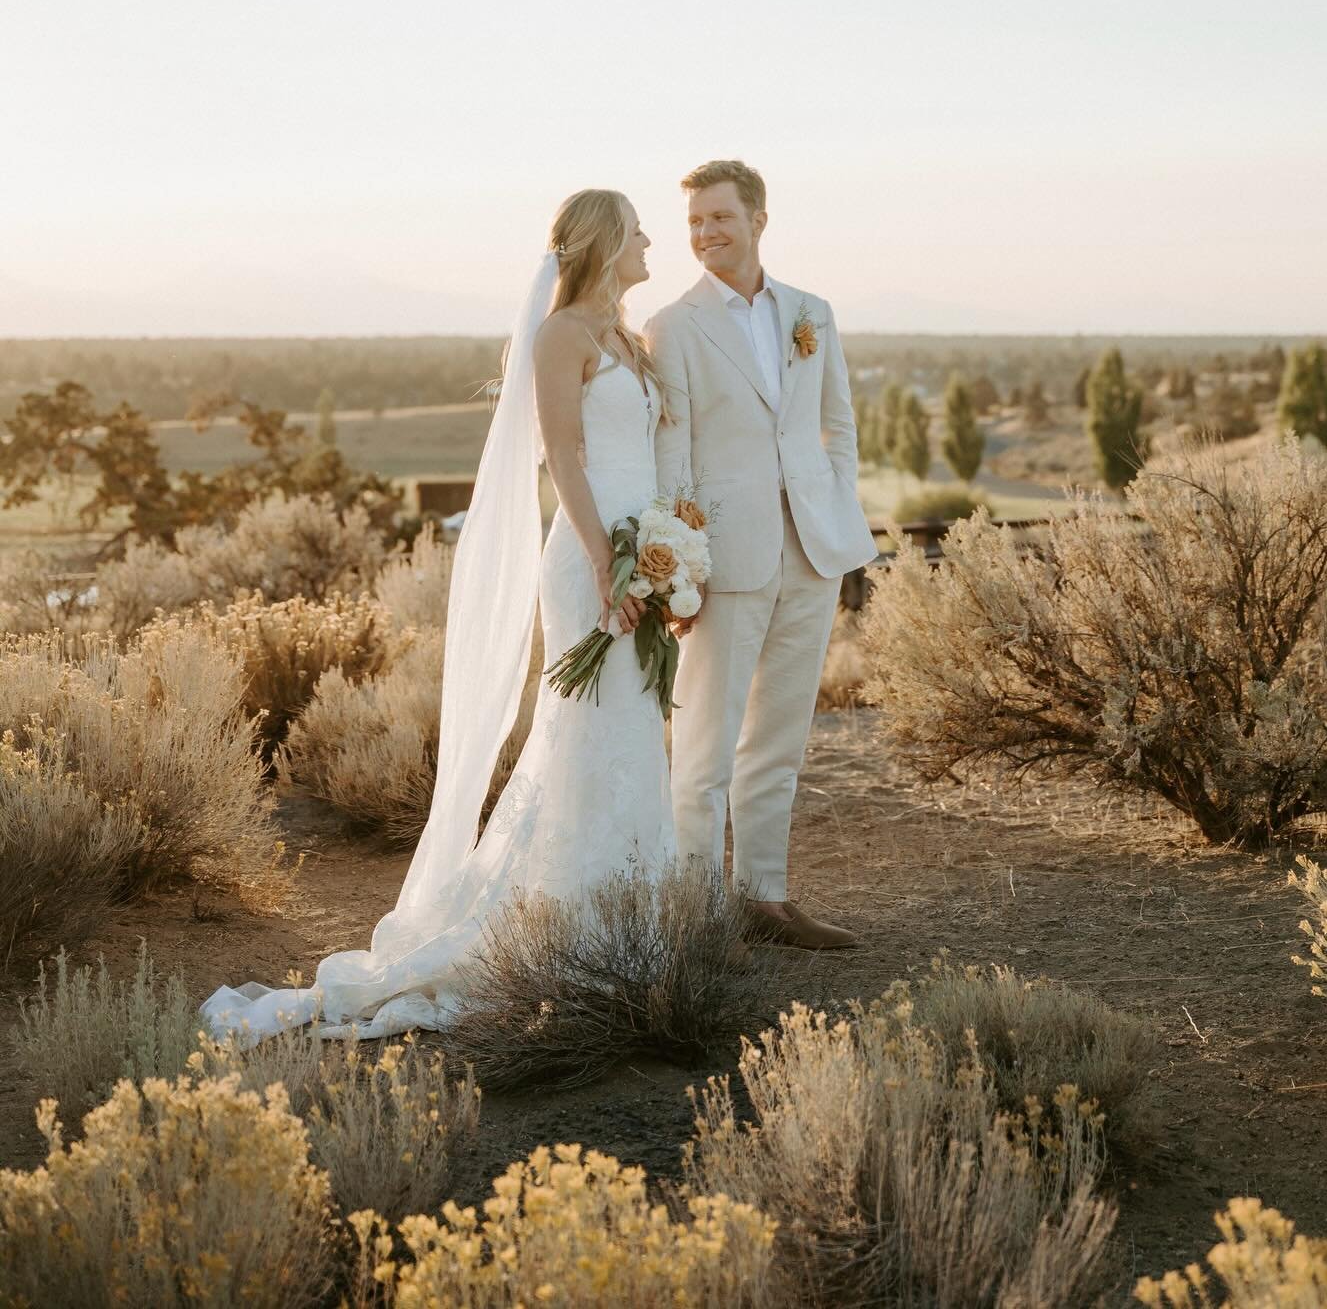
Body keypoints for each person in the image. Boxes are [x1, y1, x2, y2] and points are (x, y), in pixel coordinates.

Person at [201, 189, 675, 1042]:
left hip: (647, 556)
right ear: (605, 242)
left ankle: (631, 920)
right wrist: (609, 560)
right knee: (588, 733)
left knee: (632, 731)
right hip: (592, 558)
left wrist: (670, 557)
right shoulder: (561, 336)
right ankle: (570, 929)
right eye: (638, 228)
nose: (650, 240)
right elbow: (563, 455)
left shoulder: (627, 342)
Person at [646, 159, 877, 950]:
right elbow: (672, 456)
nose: (706, 233)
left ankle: (765, 900)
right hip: (725, 562)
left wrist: (834, 506)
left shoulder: (812, 312)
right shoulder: (673, 326)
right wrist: (683, 571)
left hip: (812, 552)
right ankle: (697, 911)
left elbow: (837, 425)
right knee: (706, 748)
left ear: (759, 219)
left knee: (779, 738)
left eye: (720, 218)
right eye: (694, 223)